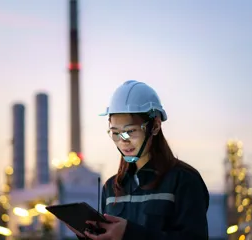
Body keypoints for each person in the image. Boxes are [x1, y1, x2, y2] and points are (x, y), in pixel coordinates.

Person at [68, 80, 209, 240]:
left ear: (155, 126)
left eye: (130, 131)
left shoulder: (184, 180)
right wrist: (88, 235)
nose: (123, 141)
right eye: (115, 132)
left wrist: (129, 234)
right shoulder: (112, 187)